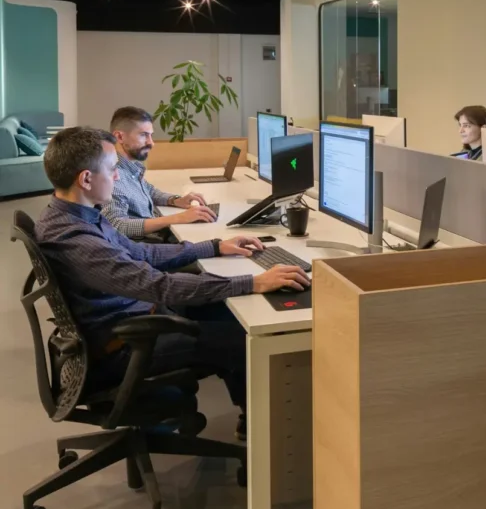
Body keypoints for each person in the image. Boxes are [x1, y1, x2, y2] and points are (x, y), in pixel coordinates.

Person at [35, 127, 310, 438]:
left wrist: (214, 246)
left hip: (133, 317)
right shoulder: (75, 239)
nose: (116, 177)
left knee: (223, 310)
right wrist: (253, 282)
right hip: (122, 346)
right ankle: (271, 440)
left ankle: (251, 420)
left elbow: (140, 251)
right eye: (112, 170)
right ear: (85, 179)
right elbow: (157, 285)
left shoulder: (80, 214)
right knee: (245, 339)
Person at [103, 106, 215, 238]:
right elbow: (118, 226)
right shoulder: (114, 177)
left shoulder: (130, 168)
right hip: (145, 247)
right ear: (120, 137)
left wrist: (175, 200)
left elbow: (149, 191)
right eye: (144, 135)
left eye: (151, 135)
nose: (151, 143)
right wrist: (177, 218)